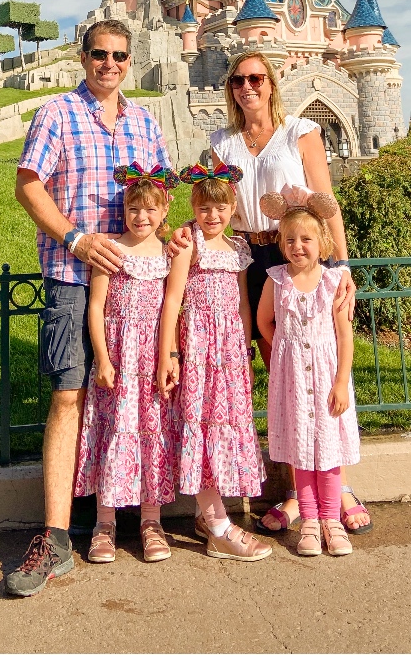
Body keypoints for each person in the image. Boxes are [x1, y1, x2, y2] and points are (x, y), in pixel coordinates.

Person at [5, 19, 172, 598]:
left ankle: (133, 515)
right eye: (99, 54)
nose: (109, 64)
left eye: (119, 56)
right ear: (83, 58)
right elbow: (29, 185)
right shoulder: (57, 113)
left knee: (139, 393)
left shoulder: (144, 123)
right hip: (73, 274)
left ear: (130, 62)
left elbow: (160, 195)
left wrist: (164, 239)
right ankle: (54, 537)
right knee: (71, 392)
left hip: (135, 283)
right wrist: (75, 238)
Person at [207, 49, 371, 537]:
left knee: (319, 366)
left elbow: (328, 201)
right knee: (284, 373)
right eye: (238, 80)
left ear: (272, 83)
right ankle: (300, 492)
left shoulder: (300, 132)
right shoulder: (223, 143)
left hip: (297, 255)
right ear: (231, 89)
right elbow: (216, 206)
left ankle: (337, 488)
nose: (247, 87)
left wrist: (340, 264)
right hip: (250, 260)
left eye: (256, 78)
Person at [157, 163, 272, 562]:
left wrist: (242, 347)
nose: (213, 216)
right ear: (193, 205)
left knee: (224, 426)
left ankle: (209, 516)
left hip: (228, 355)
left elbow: (242, 303)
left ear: (232, 206)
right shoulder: (190, 243)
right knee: (203, 426)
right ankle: (218, 523)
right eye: (205, 208)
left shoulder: (237, 248)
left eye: (220, 208)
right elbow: (172, 300)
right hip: (199, 350)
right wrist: (170, 352)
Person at [74, 164, 181, 565]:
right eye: (134, 209)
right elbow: (96, 308)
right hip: (119, 358)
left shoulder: (169, 254)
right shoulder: (111, 250)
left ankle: (151, 521)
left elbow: (173, 308)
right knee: (114, 431)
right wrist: (102, 358)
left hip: (151, 360)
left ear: (164, 212)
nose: (142, 218)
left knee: (153, 434)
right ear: (124, 211)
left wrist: (168, 356)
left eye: (151, 210)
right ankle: (106, 522)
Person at [256, 185, 361, 557]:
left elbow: (344, 336)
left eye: (306, 239)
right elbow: (264, 322)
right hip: (295, 382)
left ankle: (332, 519)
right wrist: (286, 349)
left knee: (328, 452)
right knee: (302, 452)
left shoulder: (334, 282)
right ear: (281, 244)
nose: (297, 246)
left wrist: (340, 381)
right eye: (290, 240)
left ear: (322, 243)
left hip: (327, 378)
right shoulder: (277, 279)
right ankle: (311, 522)